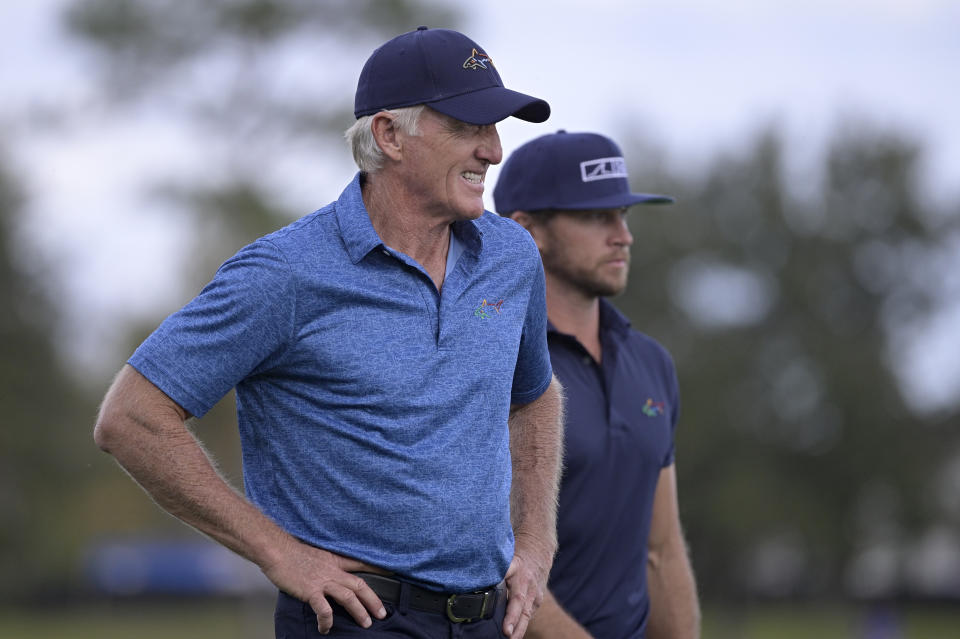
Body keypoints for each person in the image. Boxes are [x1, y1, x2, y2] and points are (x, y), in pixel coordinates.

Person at [94, 26, 565, 639]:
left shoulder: (512, 256)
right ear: (388, 135)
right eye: (468, 128)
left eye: (495, 128)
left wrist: (536, 536)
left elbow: (534, 393)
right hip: (354, 620)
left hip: (490, 621)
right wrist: (276, 551)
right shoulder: (285, 273)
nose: (494, 151)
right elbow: (131, 418)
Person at [494, 130, 701, 638]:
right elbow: (485, 554)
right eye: (595, 217)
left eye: (624, 216)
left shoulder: (650, 363)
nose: (622, 235)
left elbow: (662, 549)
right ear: (528, 230)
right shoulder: (490, 358)